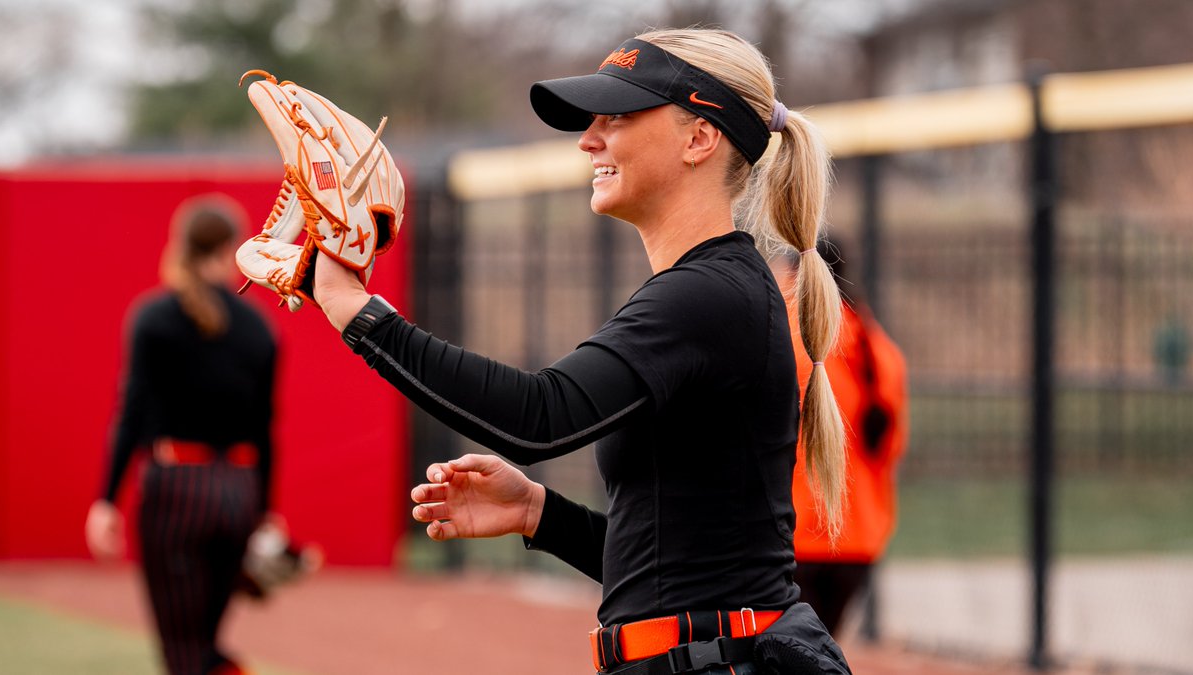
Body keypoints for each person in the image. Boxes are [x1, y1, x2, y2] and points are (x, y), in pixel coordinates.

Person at [313, 28, 851, 674]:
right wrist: (536, 511)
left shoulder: (710, 295)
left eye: (617, 116)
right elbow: (672, 566)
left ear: (699, 138)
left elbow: (541, 412)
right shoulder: (709, 289)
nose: (589, 138)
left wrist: (360, 316)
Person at [86, 195, 278, 675]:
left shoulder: (154, 317)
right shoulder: (258, 327)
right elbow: (265, 430)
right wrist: (264, 513)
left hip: (176, 493)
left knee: (184, 652)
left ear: (182, 246)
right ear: (233, 248)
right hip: (238, 491)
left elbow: (131, 414)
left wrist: (107, 498)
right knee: (203, 646)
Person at [782, 240, 909, 637]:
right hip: (858, 540)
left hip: (797, 535)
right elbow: (891, 446)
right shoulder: (879, 349)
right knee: (816, 652)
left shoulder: (789, 340)